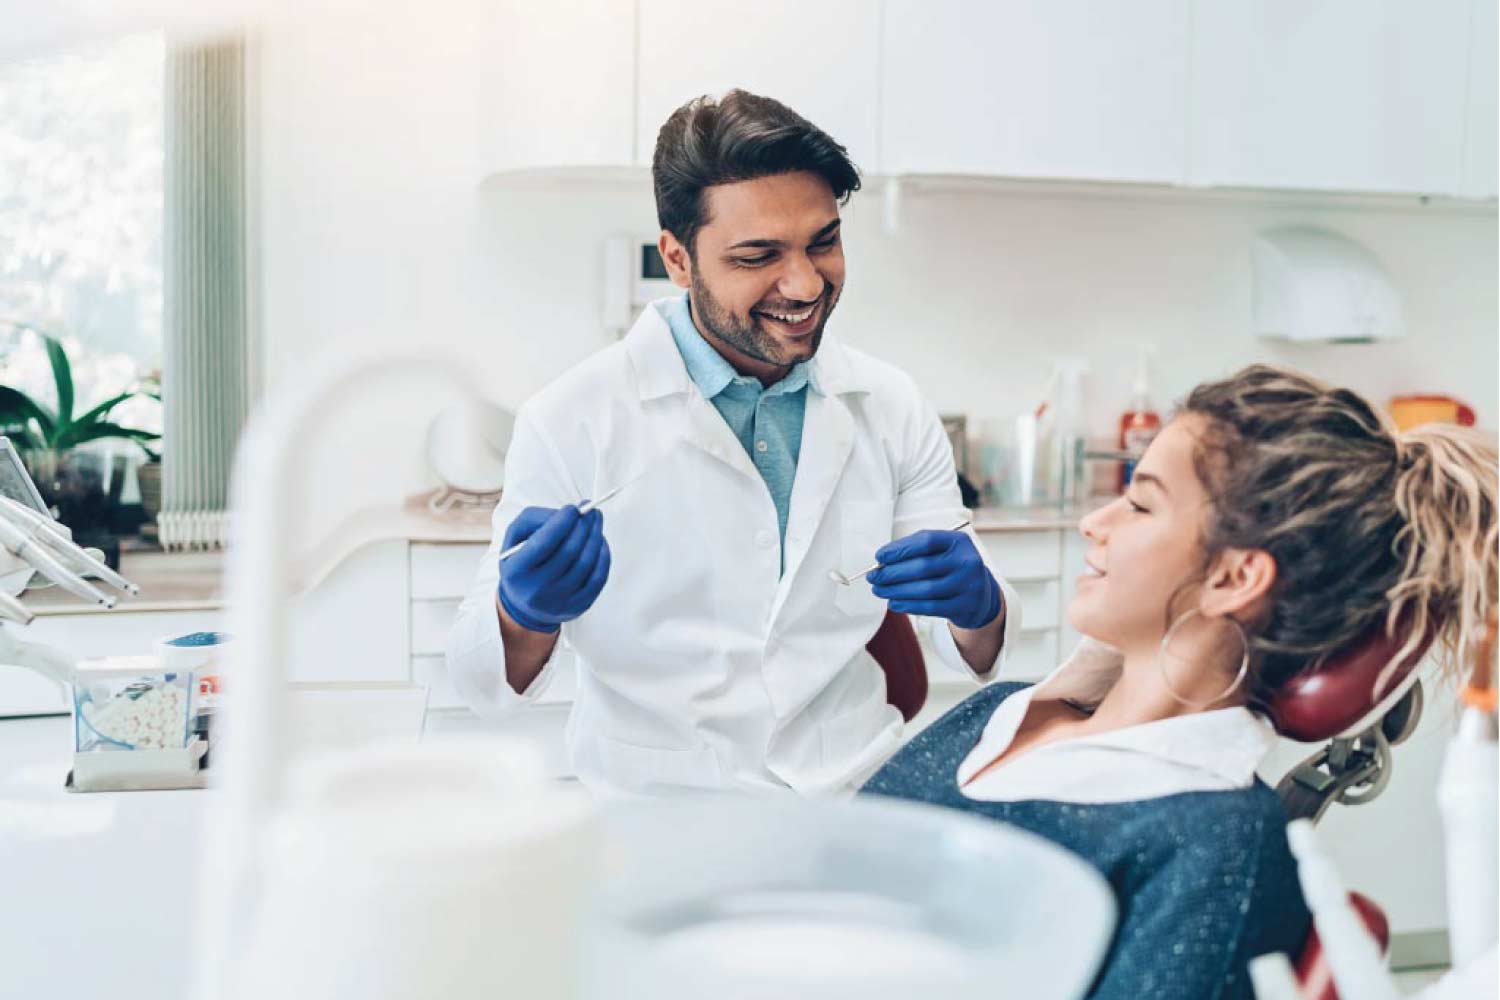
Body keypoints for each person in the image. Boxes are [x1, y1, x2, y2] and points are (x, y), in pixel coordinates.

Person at [447, 90, 1019, 797]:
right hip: (660, 810)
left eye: (824, 242)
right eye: (758, 256)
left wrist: (978, 605)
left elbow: (979, 649)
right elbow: (479, 682)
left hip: (854, 795)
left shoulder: (889, 403)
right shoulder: (572, 418)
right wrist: (522, 613)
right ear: (679, 260)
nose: (806, 283)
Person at [863, 365, 1499, 999]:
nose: (1096, 522)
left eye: (1140, 503)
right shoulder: (998, 714)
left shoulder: (1215, 845)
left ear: (1233, 579)